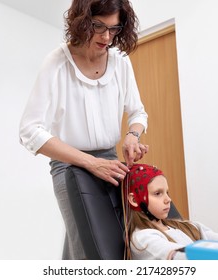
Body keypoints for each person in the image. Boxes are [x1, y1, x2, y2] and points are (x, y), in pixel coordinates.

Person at [19, 0, 149, 260]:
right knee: (94, 249)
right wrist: (89, 162)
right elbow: (29, 131)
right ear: (81, 21)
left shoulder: (121, 61)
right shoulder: (57, 62)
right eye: (98, 26)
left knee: (105, 242)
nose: (106, 37)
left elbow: (138, 112)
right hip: (70, 167)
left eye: (114, 28)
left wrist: (132, 136)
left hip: (110, 164)